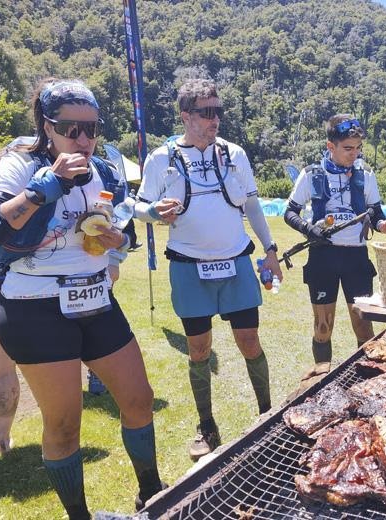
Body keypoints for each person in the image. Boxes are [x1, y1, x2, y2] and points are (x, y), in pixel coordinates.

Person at [0, 79, 163, 518]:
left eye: (91, 128)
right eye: (70, 128)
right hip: (35, 307)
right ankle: (79, 516)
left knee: (139, 399)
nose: (83, 139)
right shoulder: (19, 166)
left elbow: (120, 226)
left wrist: (117, 239)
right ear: (46, 126)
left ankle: (152, 494)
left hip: (95, 298)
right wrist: (43, 188)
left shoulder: (103, 170)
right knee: (65, 426)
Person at [134, 79, 282, 461]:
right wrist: (152, 213)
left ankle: (266, 415)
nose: (215, 119)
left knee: (249, 342)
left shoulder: (235, 154)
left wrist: (270, 249)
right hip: (188, 267)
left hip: (235, 262)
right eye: (206, 112)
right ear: (186, 116)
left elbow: (251, 204)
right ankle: (207, 427)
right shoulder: (160, 160)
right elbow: (138, 207)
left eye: (218, 111)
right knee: (199, 350)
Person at [283, 115, 386, 382]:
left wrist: (383, 225)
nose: (354, 154)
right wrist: (310, 229)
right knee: (323, 326)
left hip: (356, 258)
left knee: (363, 325)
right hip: (323, 257)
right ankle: (322, 383)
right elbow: (290, 212)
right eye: (348, 148)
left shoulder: (365, 174)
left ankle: (368, 383)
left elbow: (375, 213)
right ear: (330, 146)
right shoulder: (311, 175)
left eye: (358, 148)